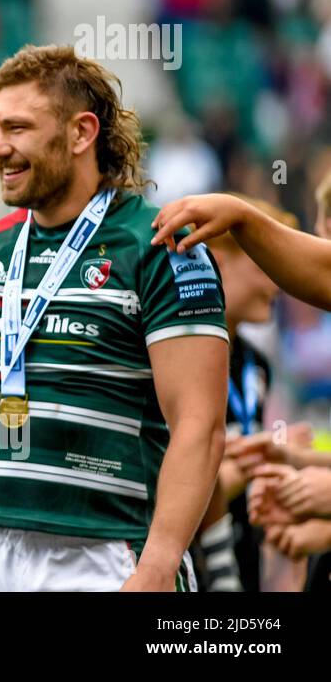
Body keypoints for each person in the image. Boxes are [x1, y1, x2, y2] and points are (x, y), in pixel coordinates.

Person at [0, 45, 229, 592]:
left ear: (82, 134)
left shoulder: (162, 245)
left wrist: (156, 567)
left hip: (108, 551)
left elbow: (200, 425)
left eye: (17, 128)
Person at [187, 195, 298, 592]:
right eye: (264, 262)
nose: (280, 280)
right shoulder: (176, 358)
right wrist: (218, 480)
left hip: (243, 563)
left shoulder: (256, 365)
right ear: (214, 257)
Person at [152, 192, 331, 312]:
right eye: (264, 266)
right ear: (214, 262)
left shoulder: (255, 363)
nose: (278, 285)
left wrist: (239, 214)